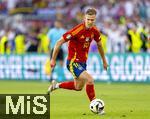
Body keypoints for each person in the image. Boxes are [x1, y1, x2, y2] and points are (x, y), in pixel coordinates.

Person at [47, 8, 108, 113]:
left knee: (78, 87)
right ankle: (96, 106)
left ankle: (56, 85)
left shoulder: (95, 31)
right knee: (90, 79)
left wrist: (104, 60)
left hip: (83, 62)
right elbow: (58, 42)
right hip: (73, 61)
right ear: (84, 18)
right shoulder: (77, 30)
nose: (90, 22)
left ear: (95, 19)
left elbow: (99, 45)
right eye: (88, 19)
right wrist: (53, 59)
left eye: (92, 20)